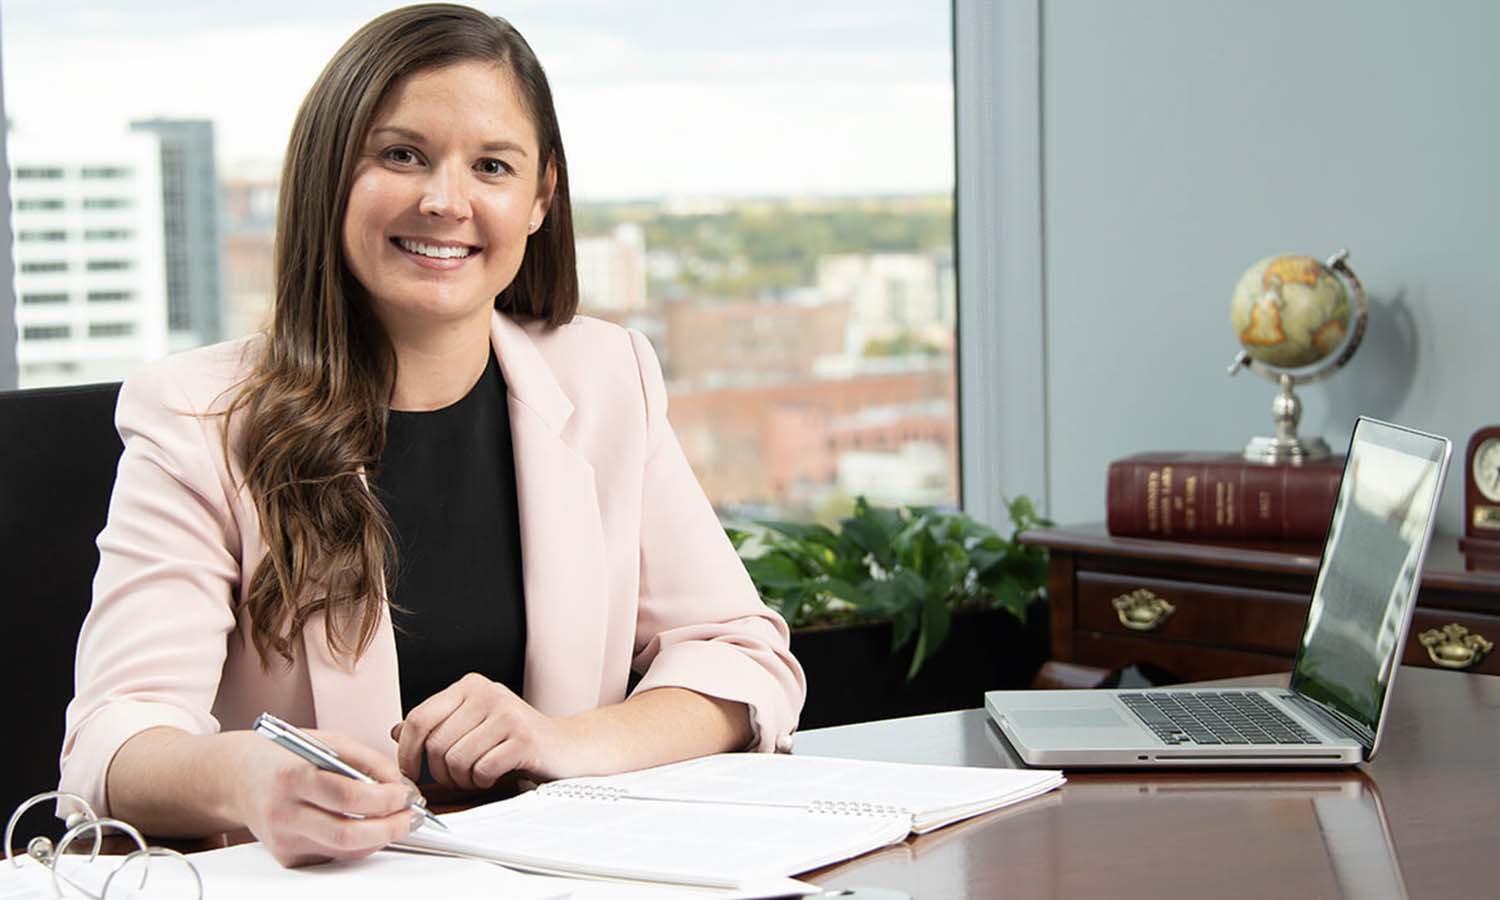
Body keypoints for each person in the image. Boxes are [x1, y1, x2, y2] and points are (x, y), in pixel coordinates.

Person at [59, 3, 805, 868]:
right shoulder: (197, 418)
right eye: (401, 154)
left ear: (539, 200)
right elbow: (112, 745)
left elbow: (741, 660)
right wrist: (249, 777)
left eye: (492, 165)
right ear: (328, 176)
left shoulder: (608, 379)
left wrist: (561, 740)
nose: (445, 200)